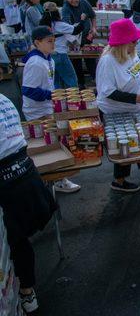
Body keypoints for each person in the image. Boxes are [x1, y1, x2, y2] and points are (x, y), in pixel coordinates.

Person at [0, 92, 56, 314]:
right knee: (19, 240)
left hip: (9, 181)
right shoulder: (3, 99)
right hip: (26, 175)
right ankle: (26, 290)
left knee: (15, 241)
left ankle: (25, 291)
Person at [96, 19, 140, 192]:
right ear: (122, 42)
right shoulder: (108, 61)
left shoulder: (131, 54)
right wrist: (136, 99)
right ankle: (119, 180)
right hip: (116, 110)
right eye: (133, 40)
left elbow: (135, 76)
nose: (137, 43)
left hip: (135, 106)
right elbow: (108, 92)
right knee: (123, 143)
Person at [22, 26, 81, 193]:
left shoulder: (49, 59)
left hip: (47, 107)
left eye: (54, 40)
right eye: (49, 41)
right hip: (37, 111)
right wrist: (52, 95)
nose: (53, 44)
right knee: (48, 145)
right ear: (37, 42)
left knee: (55, 142)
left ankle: (55, 179)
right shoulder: (35, 62)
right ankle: (53, 180)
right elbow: (28, 90)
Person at [39, 2, 85, 88]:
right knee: (71, 79)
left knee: (55, 81)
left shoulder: (43, 25)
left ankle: (58, 100)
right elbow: (77, 30)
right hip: (60, 54)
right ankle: (73, 99)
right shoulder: (58, 25)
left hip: (49, 56)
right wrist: (82, 20)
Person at [61, 0, 97, 87]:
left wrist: (93, 28)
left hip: (87, 37)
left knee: (90, 59)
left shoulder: (84, 3)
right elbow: (67, 26)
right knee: (76, 61)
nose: (74, 1)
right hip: (74, 39)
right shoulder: (65, 8)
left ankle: (95, 79)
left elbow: (93, 16)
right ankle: (80, 84)